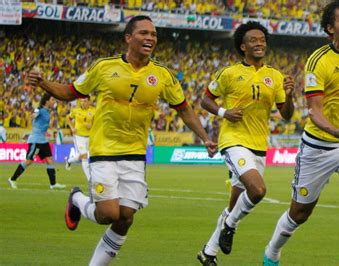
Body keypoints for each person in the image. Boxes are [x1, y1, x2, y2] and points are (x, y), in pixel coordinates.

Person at [28, 15, 217, 266]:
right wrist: (44, 84)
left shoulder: (162, 75)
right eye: (144, 33)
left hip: (135, 154)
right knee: (107, 214)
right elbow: (69, 92)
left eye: (153, 34)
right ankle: (76, 197)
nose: (150, 38)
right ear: (128, 38)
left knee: (125, 217)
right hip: (104, 149)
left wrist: (204, 137)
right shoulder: (104, 67)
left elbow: (183, 109)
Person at [263, 1, 339, 266]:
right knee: (300, 213)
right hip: (318, 146)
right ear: (330, 28)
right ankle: (272, 252)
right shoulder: (318, 61)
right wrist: (334, 130)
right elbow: (314, 111)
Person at [197, 21, 295, 265]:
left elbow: (287, 114)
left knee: (234, 204)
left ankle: (208, 252)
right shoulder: (229, 73)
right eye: (253, 40)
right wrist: (223, 112)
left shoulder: (275, 76)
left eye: (262, 39)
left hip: (259, 146)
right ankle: (230, 226)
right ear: (243, 46)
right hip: (233, 141)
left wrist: (290, 95)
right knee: (258, 190)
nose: (259, 43)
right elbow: (205, 100)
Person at [7, 93, 66, 190]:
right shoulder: (40, 110)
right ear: (46, 101)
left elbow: (44, 125)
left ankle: (53, 184)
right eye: (52, 100)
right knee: (29, 161)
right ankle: (12, 179)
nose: (54, 102)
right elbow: (33, 115)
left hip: (43, 140)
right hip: (36, 140)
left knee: (49, 160)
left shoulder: (47, 112)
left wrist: (49, 128)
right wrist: (33, 115)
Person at [65, 97, 96, 181]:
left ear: (89, 101)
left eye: (85, 101)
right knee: (84, 156)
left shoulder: (94, 110)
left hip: (90, 137)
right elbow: (68, 118)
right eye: (81, 101)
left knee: (81, 156)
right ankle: (90, 179)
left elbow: (98, 122)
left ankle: (69, 160)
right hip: (78, 136)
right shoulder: (76, 110)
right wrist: (72, 128)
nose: (83, 103)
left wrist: (92, 125)